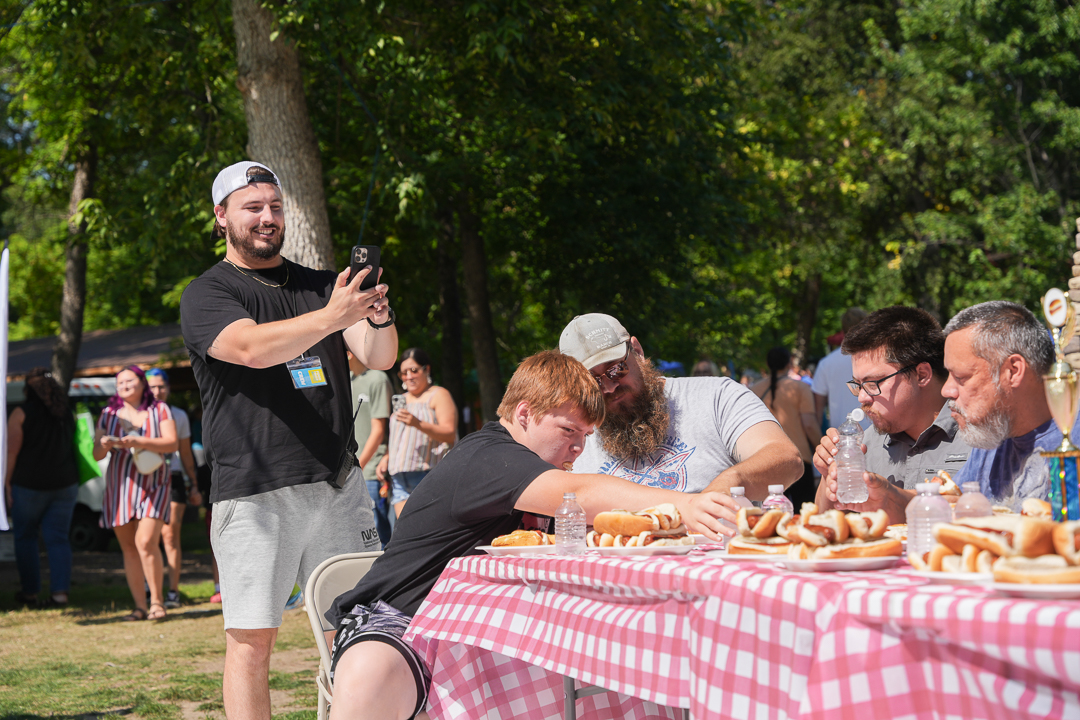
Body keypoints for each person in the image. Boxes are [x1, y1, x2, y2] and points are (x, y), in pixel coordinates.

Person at [326, 350, 742, 720]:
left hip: (474, 634)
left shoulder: (526, 463)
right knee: (371, 675)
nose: (579, 448)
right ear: (524, 414)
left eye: (585, 437)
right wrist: (685, 504)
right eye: (568, 431)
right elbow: (582, 492)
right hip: (399, 619)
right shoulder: (490, 457)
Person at [180, 161, 398, 720]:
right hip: (256, 492)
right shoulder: (207, 293)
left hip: (337, 484)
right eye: (252, 207)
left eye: (275, 206)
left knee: (361, 630)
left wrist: (374, 313)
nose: (267, 217)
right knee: (253, 643)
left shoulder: (325, 285)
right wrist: (332, 315)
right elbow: (252, 349)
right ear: (221, 217)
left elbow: (379, 357)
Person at [559, 314, 803, 500]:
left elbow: (786, 459)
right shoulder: (573, 432)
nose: (610, 387)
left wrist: (730, 481)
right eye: (592, 381)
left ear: (638, 351)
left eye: (616, 368)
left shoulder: (716, 396)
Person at [812, 306, 971, 522]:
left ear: (921, 374)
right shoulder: (866, 445)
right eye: (858, 385)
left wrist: (894, 500)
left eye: (873, 383)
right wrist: (828, 475)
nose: (862, 398)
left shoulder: (980, 438)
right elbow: (825, 526)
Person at [943, 301, 1058, 509]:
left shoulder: (1072, 437)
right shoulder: (993, 431)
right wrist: (888, 496)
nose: (946, 390)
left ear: (1013, 371)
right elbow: (948, 501)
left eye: (960, 377)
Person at [93, 365, 179, 621]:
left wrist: (138, 441)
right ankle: (140, 607)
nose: (124, 386)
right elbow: (96, 453)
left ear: (142, 383)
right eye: (120, 383)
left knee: (145, 542)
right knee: (129, 548)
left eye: (129, 381)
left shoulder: (159, 409)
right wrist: (105, 445)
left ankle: (157, 603)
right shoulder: (108, 414)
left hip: (155, 483)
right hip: (120, 486)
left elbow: (172, 443)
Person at [5, 368, 80, 608]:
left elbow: (11, 453)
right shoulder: (66, 413)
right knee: (58, 540)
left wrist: (5, 483)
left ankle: (30, 593)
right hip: (65, 485)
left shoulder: (21, 413)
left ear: (29, 390)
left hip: (29, 486)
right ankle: (60, 594)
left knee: (25, 538)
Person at [375, 348, 458, 517]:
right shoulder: (402, 399)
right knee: (405, 536)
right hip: (399, 477)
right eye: (404, 373)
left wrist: (418, 423)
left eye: (414, 370)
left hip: (427, 474)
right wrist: (387, 457)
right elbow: (400, 437)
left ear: (426, 369)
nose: (409, 376)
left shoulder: (438, 395)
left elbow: (449, 433)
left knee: (428, 532)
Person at [145, 368, 202, 609]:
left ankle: (173, 591)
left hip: (173, 476)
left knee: (170, 535)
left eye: (161, 386)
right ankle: (150, 590)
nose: (157, 391)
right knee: (148, 537)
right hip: (145, 478)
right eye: (152, 387)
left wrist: (194, 484)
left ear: (168, 388)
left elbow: (186, 452)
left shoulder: (177, 415)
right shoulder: (138, 414)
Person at [751, 347, 820, 507]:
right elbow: (809, 425)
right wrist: (822, 448)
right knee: (804, 514)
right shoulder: (800, 388)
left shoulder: (754, 390)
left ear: (767, 365)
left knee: (770, 517)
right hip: (799, 459)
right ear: (789, 363)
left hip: (765, 461)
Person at [348, 350, 394, 546]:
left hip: (370, 470)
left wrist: (355, 465)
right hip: (347, 473)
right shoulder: (345, 380)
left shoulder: (377, 378)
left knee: (376, 536)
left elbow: (378, 431)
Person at [812, 307, 868, 429]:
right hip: (877, 436)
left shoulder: (826, 363)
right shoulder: (878, 359)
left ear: (843, 329)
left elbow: (818, 410)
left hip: (842, 437)